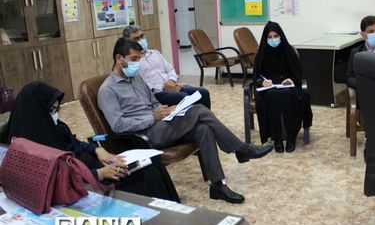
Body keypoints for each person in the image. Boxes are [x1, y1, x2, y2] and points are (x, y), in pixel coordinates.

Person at [98, 38, 273, 204]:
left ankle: (218, 185)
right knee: (199, 110)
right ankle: (241, 149)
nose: (137, 63)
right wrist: (153, 117)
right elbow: (118, 125)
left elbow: (154, 102)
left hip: (160, 125)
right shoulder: (107, 90)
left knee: (203, 129)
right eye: (133, 59)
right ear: (119, 59)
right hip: (142, 136)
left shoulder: (137, 79)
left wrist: (166, 110)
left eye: (138, 59)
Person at [3, 81, 180, 201]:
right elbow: (56, 182)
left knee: (152, 163)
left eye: (57, 110)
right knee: (146, 178)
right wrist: (99, 174)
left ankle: (174, 211)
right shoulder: (28, 147)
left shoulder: (52, 127)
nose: (55, 115)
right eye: (52, 111)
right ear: (36, 112)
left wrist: (97, 150)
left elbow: (73, 142)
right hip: (86, 184)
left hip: (93, 168)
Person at [253, 21, 312, 153]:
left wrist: (291, 79)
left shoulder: (289, 50)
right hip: (269, 88)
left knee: (288, 95)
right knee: (272, 96)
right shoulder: (262, 53)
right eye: (270, 37)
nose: (273, 39)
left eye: (276, 36)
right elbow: (256, 76)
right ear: (265, 38)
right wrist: (262, 82)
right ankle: (277, 138)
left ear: (281, 36)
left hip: (288, 85)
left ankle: (291, 137)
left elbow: (298, 73)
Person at [123, 25, 211, 109]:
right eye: (136, 39)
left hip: (172, 85)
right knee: (185, 98)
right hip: (156, 93)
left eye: (142, 36)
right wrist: (165, 87)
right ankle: (194, 119)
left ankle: (206, 118)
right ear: (128, 42)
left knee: (203, 92)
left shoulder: (155, 53)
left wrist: (171, 81)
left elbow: (170, 70)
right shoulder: (131, 61)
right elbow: (139, 84)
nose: (141, 40)